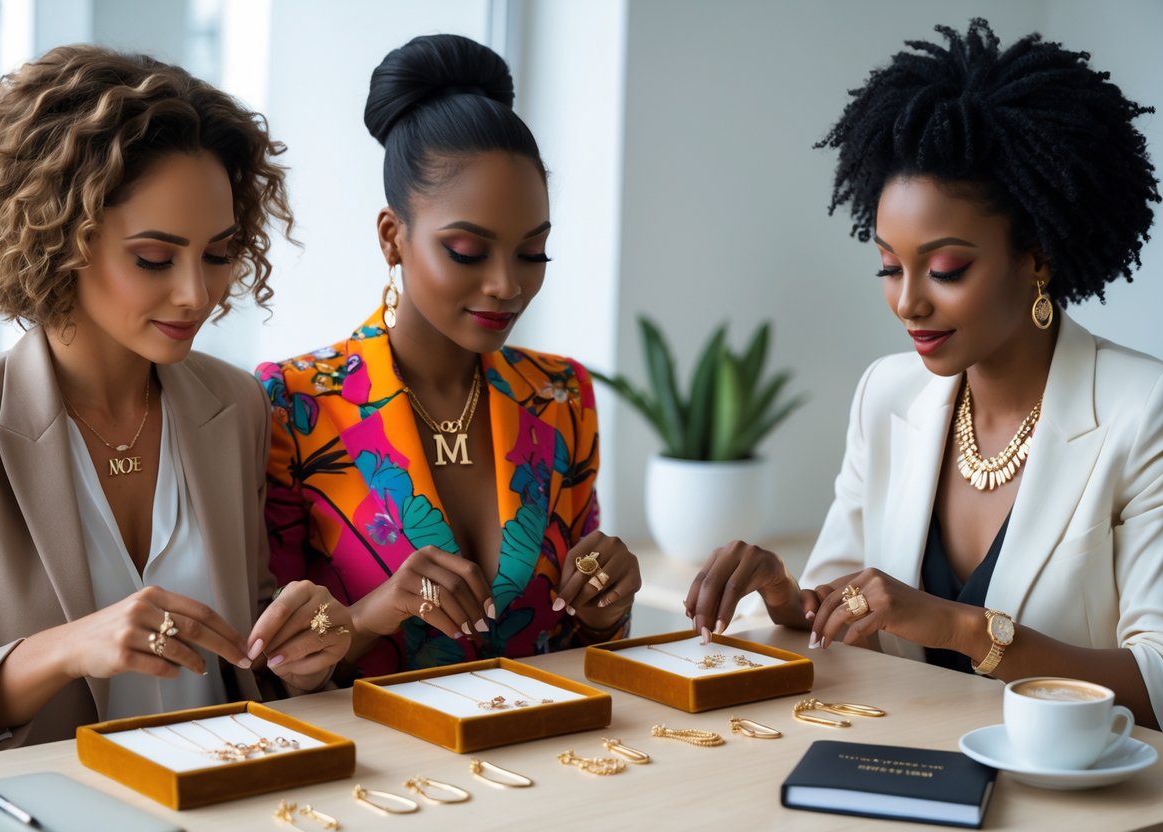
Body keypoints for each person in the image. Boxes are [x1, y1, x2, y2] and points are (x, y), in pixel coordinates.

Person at [684, 19, 1163, 728]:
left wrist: (963, 628)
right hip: (902, 769)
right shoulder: (887, 395)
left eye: (944, 269)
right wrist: (784, 596)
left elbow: (1155, 683)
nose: (906, 301)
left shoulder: (1140, 410)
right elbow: (845, 618)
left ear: (1037, 256)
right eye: (887, 265)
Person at [0, 46, 351, 759]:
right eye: (155, 259)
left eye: (220, 253)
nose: (196, 294)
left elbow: (246, 649)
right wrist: (69, 648)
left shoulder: (234, 405)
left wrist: (303, 651)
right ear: (58, 238)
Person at [258, 34, 640, 678]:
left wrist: (605, 609)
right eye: (467, 250)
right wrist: (373, 612)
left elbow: (582, 645)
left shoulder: (560, 394)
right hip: (372, 768)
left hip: (551, 759)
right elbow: (267, 660)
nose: (506, 285)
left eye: (532, 252)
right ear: (393, 237)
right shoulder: (294, 405)